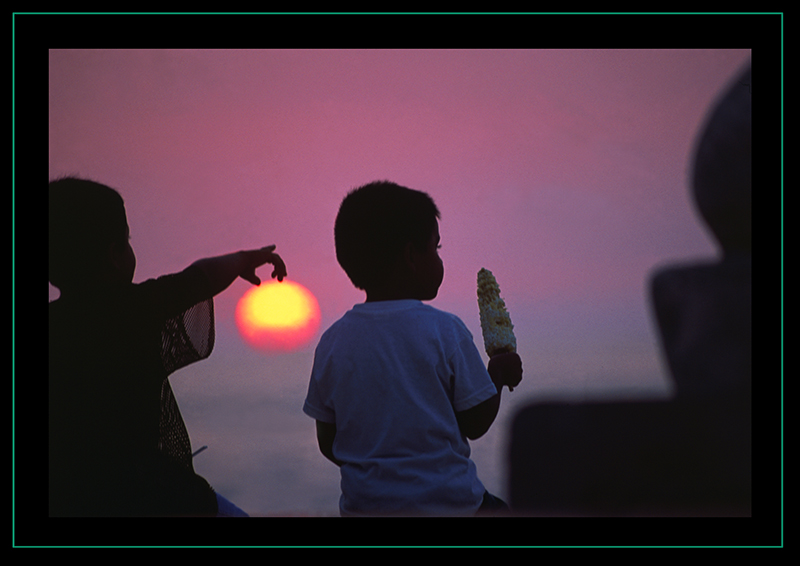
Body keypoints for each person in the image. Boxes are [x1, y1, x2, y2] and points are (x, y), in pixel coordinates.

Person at [49, 176, 287, 517]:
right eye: (127, 241)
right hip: (148, 493)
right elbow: (199, 278)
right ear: (115, 255)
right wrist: (242, 258)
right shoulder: (137, 308)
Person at [302, 180, 523, 516]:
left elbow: (329, 443)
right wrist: (497, 374)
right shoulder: (444, 330)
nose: (439, 257)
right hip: (452, 506)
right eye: (436, 247)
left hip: (366, 509)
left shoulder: (333, 342)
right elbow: (475, 423)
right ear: (410, 256)